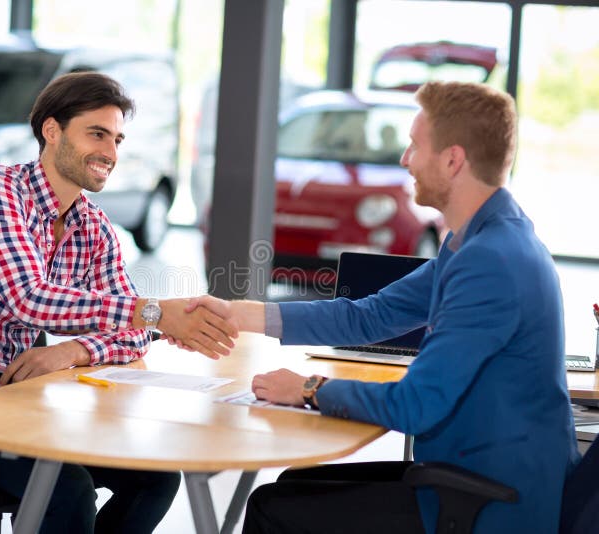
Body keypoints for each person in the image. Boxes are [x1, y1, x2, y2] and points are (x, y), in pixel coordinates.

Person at [184, 81, 580, 533]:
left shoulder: (492, 263)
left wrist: (310, 389)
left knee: (274, 511)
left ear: (452, 160)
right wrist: (240, 313)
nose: (404, 160)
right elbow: (368, 316)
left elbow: (416, 405)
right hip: (470, 473)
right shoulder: (482, 240)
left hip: (490, 500)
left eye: (414, 145)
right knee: (293, 487)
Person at [0, 72, 237, 534]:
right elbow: (31, 299)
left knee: (155, 477)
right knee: (68, 492)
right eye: (97, 134)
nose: (110, 152)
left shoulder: (92, 227)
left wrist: (72, 351)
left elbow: (135, 333)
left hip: (14, 393)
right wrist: (157, 311)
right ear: (52, 130)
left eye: (118, 139)